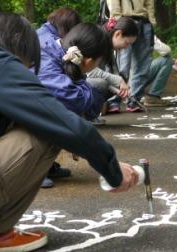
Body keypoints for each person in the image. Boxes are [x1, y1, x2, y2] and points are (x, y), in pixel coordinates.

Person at [0, 12, 139, 250]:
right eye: (30, 64)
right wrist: (113, 170)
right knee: (43, 130)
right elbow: (62, 122)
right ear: (21, 47)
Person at [36, 9, 113, 188]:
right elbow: (72, 98)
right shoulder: (46, 51)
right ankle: (33, 169)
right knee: (59, 112)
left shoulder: (56, 48)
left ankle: (45, 165)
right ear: (88, 60)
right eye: (99, 61)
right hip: (2, 118)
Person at [107, 0, 156, 112]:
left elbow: (150, 3)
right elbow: (113, 3)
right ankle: (113, 100)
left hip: (144, 22)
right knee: (122, 66)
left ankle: (133, 99)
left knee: (143, 66)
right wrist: (118, 21)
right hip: (125, 21)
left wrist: (152, 22)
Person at [87, 16, 137, 114]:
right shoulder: (97, 41)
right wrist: (118, 81)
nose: (126, 47)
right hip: (72, 80)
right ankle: (87, 113)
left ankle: (92, 112)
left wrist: (118, 90)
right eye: (127, 43)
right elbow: (90, 72)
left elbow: (112, 71)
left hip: (83, 79)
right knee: (103, 84)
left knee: (111, 84)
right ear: (118, 34)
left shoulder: (108, 44)